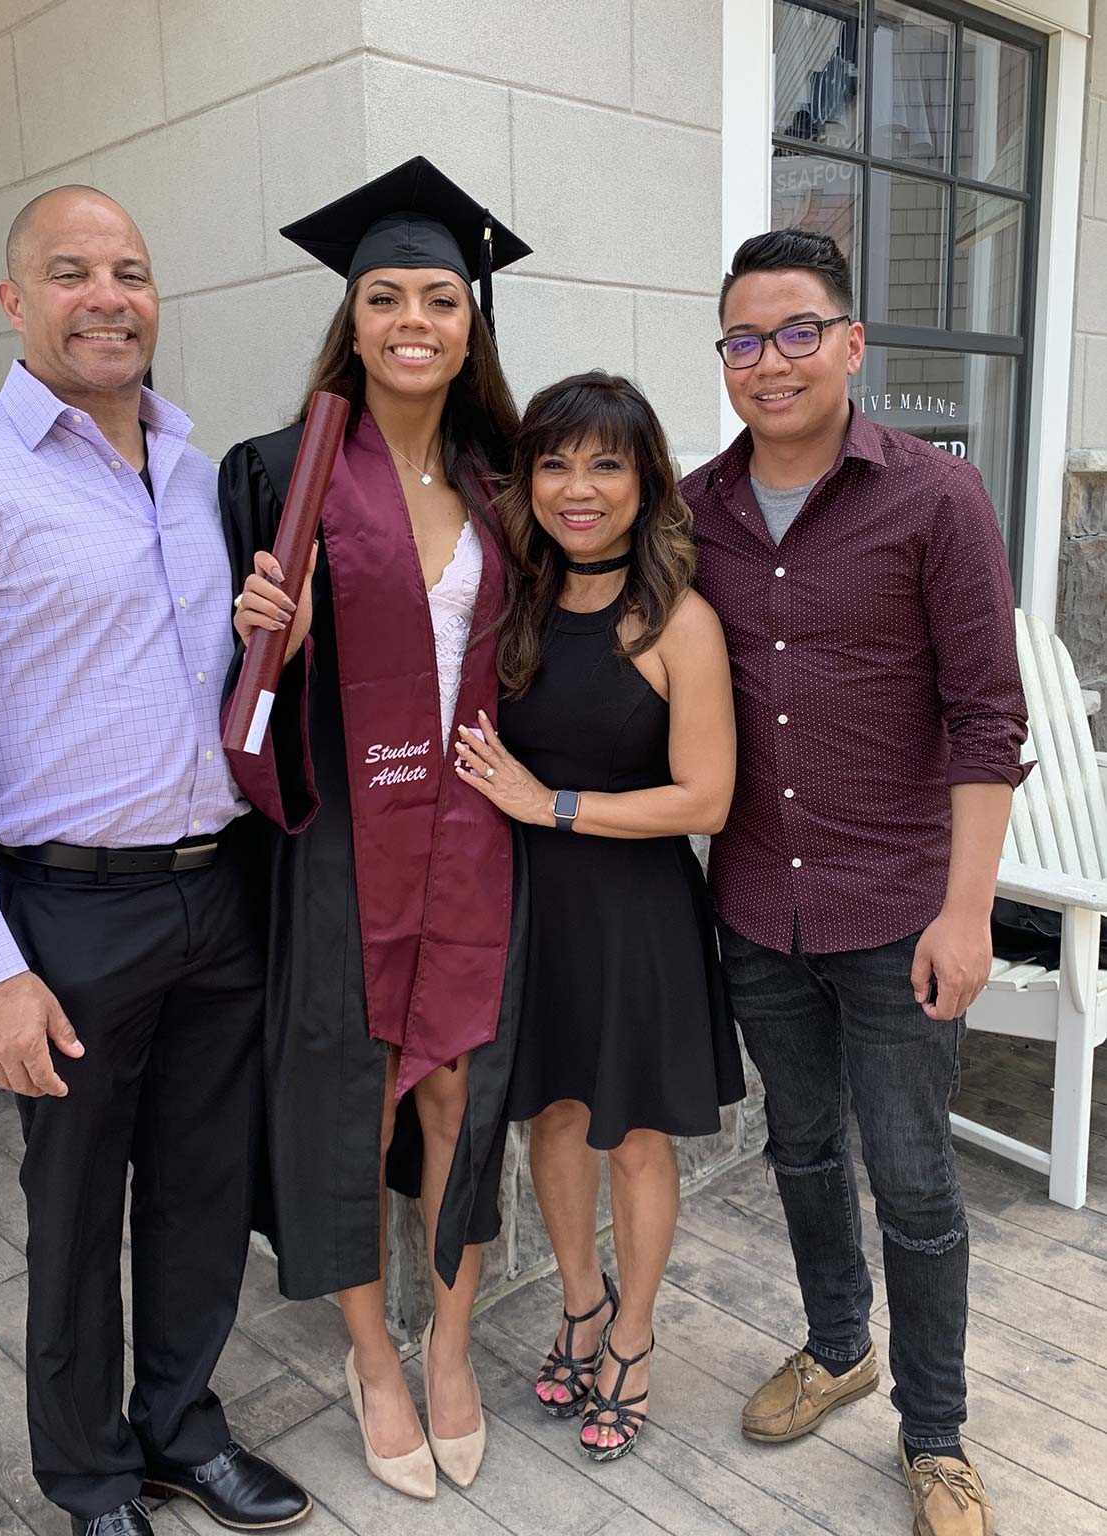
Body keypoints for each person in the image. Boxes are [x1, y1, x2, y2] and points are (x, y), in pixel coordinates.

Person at [0, 186, 310, 1536]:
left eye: (130, 268)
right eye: (70, 272)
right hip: (63, 909)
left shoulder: (197, 470)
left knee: (199, 1190)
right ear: (13, 301)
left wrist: (263, 642)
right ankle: (86, 1470)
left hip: (215, 891)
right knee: (73, 1210)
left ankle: (179, 1426)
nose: (107, 295)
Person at [682, 229, 1029, 1536]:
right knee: (800, 1147)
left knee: (914, 1178)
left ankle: (933, 1436)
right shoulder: (694, 507)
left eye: (792, 333)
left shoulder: (935, 497)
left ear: (847, 344)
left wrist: (965, 908)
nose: (765, 362)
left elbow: (984, 716)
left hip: (898, 913)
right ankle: (838, 1345)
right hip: (758, 909)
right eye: (740, 340)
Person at [223, 157, 528, 1500]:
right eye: (385, 296)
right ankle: (370, 1350)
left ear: (472, 325)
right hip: (343, 836)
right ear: (349, 318)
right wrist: (260, 651)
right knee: (348, 1087)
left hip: (477, 830)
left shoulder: (507, 478)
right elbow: (233, 700)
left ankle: (449, 1337)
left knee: (462, 1081)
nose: (414, 320)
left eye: (442, 298)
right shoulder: (275, 477)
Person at [453, 371, 744, 1462]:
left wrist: (550, 803)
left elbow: (705, 799)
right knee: (557, 1120)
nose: (580, 487)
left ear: (644, 481)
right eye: (557, 462)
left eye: (607, 463)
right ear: (528, 481)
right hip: (531, 911)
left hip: (634, 914)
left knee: (633, 1135)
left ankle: (631, 1335)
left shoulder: (679, 622)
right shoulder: (514, 606)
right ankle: (580, 1299)